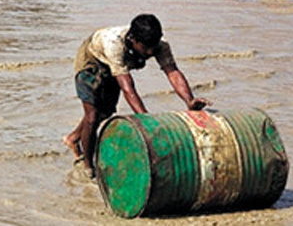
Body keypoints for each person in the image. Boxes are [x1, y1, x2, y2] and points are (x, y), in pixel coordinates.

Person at [63, 14, 210, 180]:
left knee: (106, 112)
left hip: (115, 66)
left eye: (153, 47)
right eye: (145, 48)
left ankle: (73, 138)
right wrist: (145, 119)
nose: (150, 52)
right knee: (92, 116)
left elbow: (173, 72)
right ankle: (88, 166)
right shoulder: (114, 45)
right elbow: (128, 88)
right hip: (92, 61)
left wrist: (189, 100)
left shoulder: (158, 44)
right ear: (132, 39)